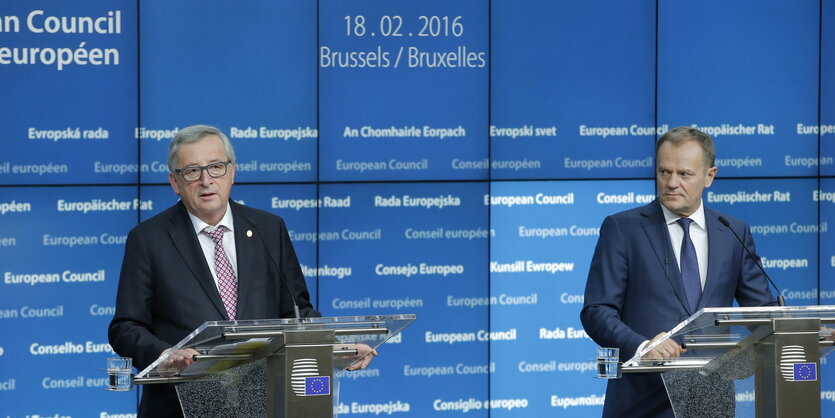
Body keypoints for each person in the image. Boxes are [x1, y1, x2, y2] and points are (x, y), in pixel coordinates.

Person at [108, 125, 375, 418]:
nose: (206, 180)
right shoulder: (149, 239)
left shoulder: (268, 229)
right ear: (175, 182)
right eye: (192, 171)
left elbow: (297, 313)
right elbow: (125, 328)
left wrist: (336, 347)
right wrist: (166, 355)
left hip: (264, 403)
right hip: (178, 405)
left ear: (232, 172)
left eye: (216, 167)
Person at [580, 126, 777, 417]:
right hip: (642, 400)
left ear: (709, 176)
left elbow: (760, 312)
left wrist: (804, 333)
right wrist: (642, 345)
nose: (672, 183)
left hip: (711, 401)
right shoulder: (623, 228)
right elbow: (597, 311)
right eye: (664, 172)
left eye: (684, 174)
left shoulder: (732, 231)